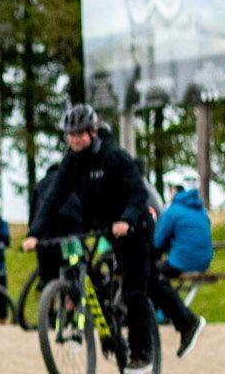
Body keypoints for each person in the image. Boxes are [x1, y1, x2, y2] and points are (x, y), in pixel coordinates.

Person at [33, 103, 202, 359]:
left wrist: (126, 219)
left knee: (135, 289)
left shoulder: (113, 157)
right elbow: (53, 199)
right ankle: (184, 322)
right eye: (70, 135)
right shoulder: (72, 163)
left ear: (92, 131)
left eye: (79, 134)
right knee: (147, 279)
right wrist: (35, 233)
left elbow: (138, 193)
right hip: (107, 228)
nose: (74, 140)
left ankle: (142, 354)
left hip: (136, 225)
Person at [156, 183, 214, 282]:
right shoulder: (201, 211)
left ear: (173, 192)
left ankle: (171, 298)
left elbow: (157, 241)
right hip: (204, 264)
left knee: (150, 270)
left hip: (180, 264)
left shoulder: (172, 210)